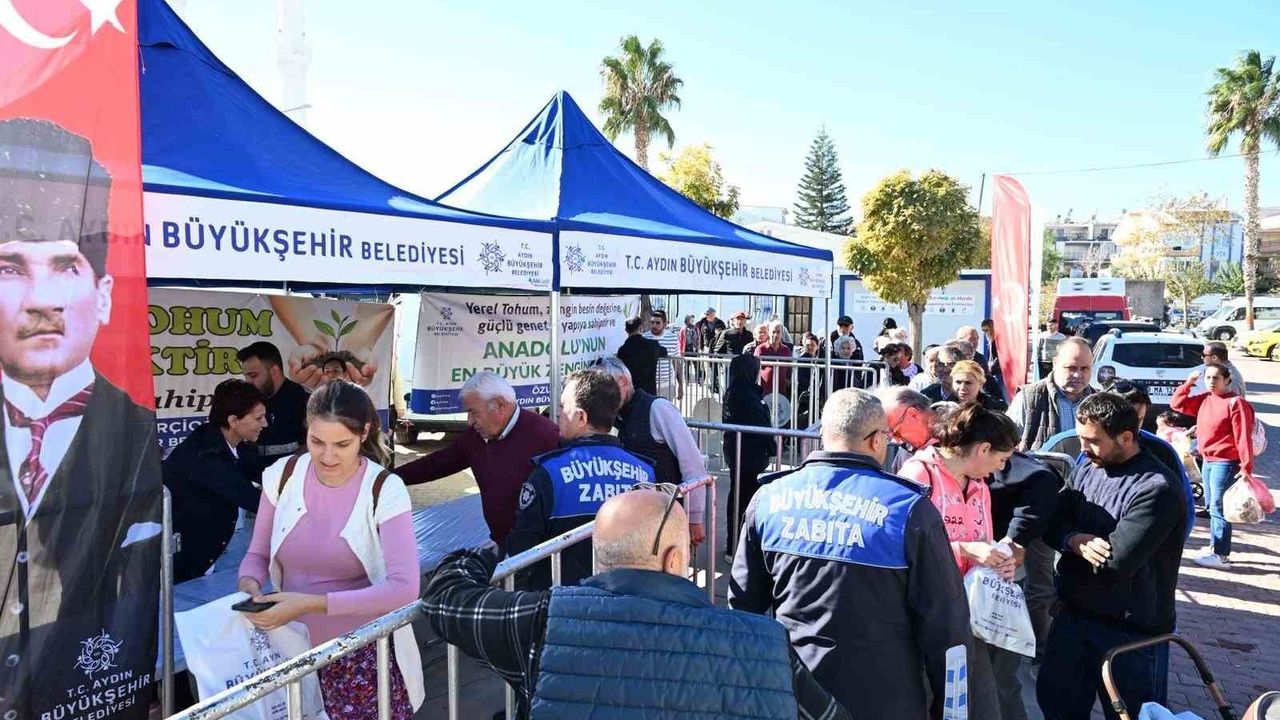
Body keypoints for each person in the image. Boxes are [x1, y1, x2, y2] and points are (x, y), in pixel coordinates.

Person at [423, 489, 851, 720]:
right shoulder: (767, 643)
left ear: (599, 554)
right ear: (675, 559)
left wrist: (477, 556)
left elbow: (447, 600)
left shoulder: (543, 620)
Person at [0, 119, 163, 720]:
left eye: (65, 266)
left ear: (104, 295)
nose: (41, 299)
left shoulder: (137, 433)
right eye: (11, 267)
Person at [730, 389, 972, 720]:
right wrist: (953, 713)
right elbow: (946, 627)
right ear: (876, 440)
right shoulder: (909, 510)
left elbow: (744, 609)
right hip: (885, 700)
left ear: (824, 435)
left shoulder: (769, 499)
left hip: (793, 694)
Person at [238, 380, 424, 718]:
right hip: (290, 649)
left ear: (364, 433)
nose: (327, 456)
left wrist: (309, 604)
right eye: (316, 441)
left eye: (342, 444)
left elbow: (405, 589)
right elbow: (257, 554)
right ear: (306, 429)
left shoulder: (386, 489)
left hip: (360, 656)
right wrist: (249, 583)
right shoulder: (282, 476)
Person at [1038, 394, 1188, 720]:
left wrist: (1072, 540)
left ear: (1126, 437)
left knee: (1128, 715)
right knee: (1056, 705)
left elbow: (1117, 561)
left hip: (1128, 634)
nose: (1083, 448)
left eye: (1093, 441)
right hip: (1073, 618)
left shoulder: (1157, 488)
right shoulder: (1089, 467)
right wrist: (1074, 539)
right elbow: (1051, 521)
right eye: (1081, 439)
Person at [898, 402, 1021, 720]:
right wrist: (964, 550)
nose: (999, 470)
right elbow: (902, 546)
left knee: (979, 707)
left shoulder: (980, 485)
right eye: (1001, 460)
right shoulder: (917, 474)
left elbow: (982, 541)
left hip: (968, 615)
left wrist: (998, 559)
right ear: (983, 448)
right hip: (924, 615)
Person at [507, 370, 655, 589]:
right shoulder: (646, 471)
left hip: (562, 606)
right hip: (627, 602)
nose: (556, 415)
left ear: (581, 417)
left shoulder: (548, 474)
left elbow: (521, 552)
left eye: (562, 408)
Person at [397, 372, 559, 545]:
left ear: (499, 405)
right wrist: (390, 478)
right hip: (502, 542)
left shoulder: (547, 436)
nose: (469, 421)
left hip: (542, 549)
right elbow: (437, 464)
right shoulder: (474, 438)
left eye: (474, 413)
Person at [164, 379, 267, 583]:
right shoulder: (205, 457)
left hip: (205, 554)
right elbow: (255, 500)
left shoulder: (236, 444)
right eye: (259, 418)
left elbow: (265, 474)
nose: (264, 424)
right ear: (233, 421)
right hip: (180, 565)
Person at [596, 358, 707, 544]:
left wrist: (695, 517)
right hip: (634, 518)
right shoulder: (614, 416)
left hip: (666, 514)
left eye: (605, 390)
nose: (602, 398)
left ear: (623, 382)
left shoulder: (658, 408)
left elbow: (692, 462)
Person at [1172, 363, 1257, 570]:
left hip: (1225, 461)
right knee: (1211, 506)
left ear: (1227, 380)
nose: (1210, 382)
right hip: (1208, 460)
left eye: (1216, 378)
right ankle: (1214, 547)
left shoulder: (1236, 403)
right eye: (1208, 378)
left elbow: (1243, 437)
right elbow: (1177, 403)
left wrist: (1246, 467)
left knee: (1219, 507)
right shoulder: (1206, 399)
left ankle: (1221, 555)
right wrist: (1189, 382)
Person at [722, 354, 775, 557]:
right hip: (748, 456)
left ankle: (735, 544)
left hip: (741, 454)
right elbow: (760, 425)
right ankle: (737, 546)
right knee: (744, 502)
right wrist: (772, 446)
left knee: (739, 499)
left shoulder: (738, 391)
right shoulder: (745, 394)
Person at [1008, 336, 1095, 451]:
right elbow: (1003, 444)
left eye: (1084, 368)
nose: (1077, 375)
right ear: (1055, 363)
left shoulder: (1100, 403)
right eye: (1071, 368)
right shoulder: (1028, 398)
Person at [238, 340, 311, 475]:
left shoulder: (304, 400)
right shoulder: (248, 400)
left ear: (274, 371)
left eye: (253, 376)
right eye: (246, 376)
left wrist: (287, 472)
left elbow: (314, 445)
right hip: (251, 482)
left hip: (288, 481)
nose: (248, 382)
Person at [878, 386, 937, 473]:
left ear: (912, 414)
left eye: (896, 432)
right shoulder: (905, 452)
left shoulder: (957, 435)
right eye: (888, 436)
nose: (897, 441)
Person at [616, 316, 667, 395]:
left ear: (626, 330)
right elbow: (664, 352)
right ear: (641, 327)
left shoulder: (622, 350)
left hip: (631, 395)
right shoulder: (652, 345)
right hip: (649, 394)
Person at [643, 309, 683, 401]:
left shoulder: (672, 338)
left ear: (664, 324)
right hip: (648, 385)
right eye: (652, 322)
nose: (654, 325)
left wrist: (680, 385)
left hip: (667, 385)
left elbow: (676, 362)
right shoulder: (644, 337)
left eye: (657, 323)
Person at [755, 320, 793, 396]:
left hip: (781, 392)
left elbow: (790, 368)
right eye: (773, 332)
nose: (775, 335)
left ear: (782, 334)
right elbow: (754, 369)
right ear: (768, 332)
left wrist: (788, 380)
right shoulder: (760, 349)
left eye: (778, 332)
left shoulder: (786, 350)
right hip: (763, 392)